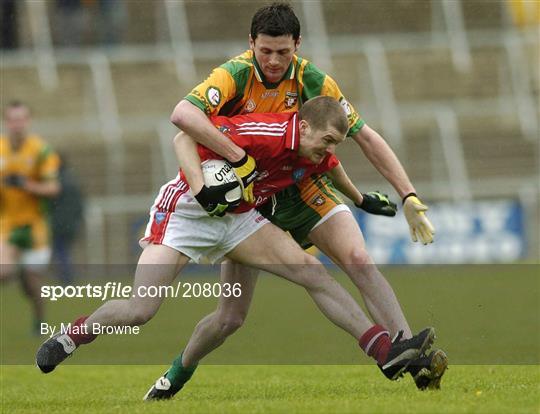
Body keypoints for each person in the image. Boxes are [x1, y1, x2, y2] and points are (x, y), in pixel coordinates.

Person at [145, 2, 447, 400]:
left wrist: (405, 193)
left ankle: (405, 355)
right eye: (265, 51)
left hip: (303, 186)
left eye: (283, 52)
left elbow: (364, 137)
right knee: (231, 317)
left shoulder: (315, 81)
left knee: (357, 258)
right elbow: (183, 122)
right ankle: (176, 373)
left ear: (298, 46)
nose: (273, 61)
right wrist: (229, 165)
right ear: (250, 42)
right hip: (251, 203)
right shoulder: (233, 75)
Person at [35, 97, 436, 391]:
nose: (330, 149)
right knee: (141, 309)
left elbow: (331, 167)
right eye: (328, 139)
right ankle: (73, 335)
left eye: (337, 142)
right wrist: (201, 188)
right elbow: (183, 138)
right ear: (306, 126)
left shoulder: (317, 150)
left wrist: (362, 199)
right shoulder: (263, 132)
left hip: (240, 218)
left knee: (309, 273)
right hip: (187, 214)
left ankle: (383, 351)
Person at [0, 101, 61, 334]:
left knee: (32, 284)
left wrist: (26, 185)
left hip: (35, 226)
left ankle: (39, 321)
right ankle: (14, 264)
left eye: (21, 119)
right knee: (3, 272)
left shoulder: (41, 151)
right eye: (12, 120)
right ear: (6, 122)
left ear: (28, 121)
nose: (17, 125)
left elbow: (54, 188)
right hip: (6, 224)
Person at [50, 154, 84, 286]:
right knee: (65, 251)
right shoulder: (72, 179)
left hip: (59, 224)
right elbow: (80, 204)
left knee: (61, 251)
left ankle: (66, 279)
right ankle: (67, 277)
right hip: (71, 223)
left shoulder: (57, 181)